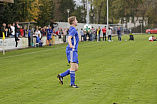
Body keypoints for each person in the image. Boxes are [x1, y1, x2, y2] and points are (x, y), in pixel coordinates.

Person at [57, 16, 79, 88]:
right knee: (72, 67)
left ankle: (61, 75)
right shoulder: (73, 29)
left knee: (76, 68)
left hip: (74, 50)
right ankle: (72, 83)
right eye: (76, 20)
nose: (77, 21)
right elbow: (69, 37)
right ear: (73, 22)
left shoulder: (73, 29)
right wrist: (70, 44)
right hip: (71, 50)